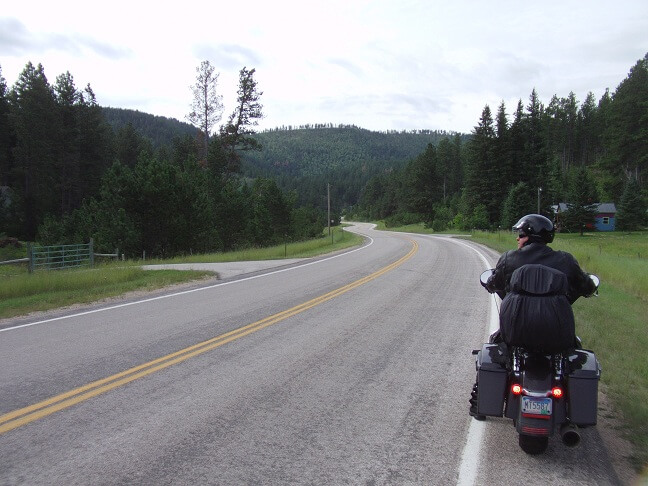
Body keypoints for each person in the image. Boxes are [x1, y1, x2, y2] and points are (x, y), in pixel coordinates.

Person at [469, 213, 597, 420]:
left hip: (516, 330)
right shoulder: (565, 260)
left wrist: (492, 284)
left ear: (528, 236)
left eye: (519, 234)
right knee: (573, 354)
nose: (517, 239)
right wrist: (588, 287)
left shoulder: (510, 258)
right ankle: (574, 409)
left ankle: (478, 405)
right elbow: (586, 285)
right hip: (557, 332)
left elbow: (494, 282)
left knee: (496, 347)